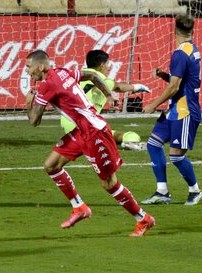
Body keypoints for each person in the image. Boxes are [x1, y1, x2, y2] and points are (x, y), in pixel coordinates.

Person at [25, 49, 155, 237]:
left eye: (29, 67)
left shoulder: (47, 85)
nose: (28, 71)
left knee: (109, 184)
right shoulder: (63, 71)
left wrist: (29, 102)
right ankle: (79, 208)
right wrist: (108, 94)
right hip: (81, 130)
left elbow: (34, 121)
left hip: (95, 133)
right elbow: (92, 75)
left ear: (41, 66)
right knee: (51, 165)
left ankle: (143, 219)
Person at [142, 14, 202, 205]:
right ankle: (162, 192)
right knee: (153, 144)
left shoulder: (179, 54)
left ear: (174, 31)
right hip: (174, 110)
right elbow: (181, 82)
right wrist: (163, 75)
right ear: (191, 31)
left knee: (176, 156)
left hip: (185, 111)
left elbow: (175, 87)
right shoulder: (192, 48)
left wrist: (153, 104)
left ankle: (195, 191)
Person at [60, 50, 151, 151]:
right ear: (102, 65)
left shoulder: (77, 76)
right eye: (107, 64)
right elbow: (118, 87)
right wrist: (137, 87)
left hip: (67, 124)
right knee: (132, 136)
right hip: (86, 126)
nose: (108, 68)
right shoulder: (99, 78)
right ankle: (125, 143)